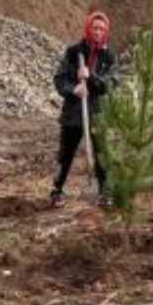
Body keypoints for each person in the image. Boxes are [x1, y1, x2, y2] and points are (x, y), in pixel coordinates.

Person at [50, 12, 117, 208]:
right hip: (73, 113)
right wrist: (74, 88)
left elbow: (112, 83)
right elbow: (60, 79)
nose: (97, 32)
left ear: (106, 32)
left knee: (102, 155)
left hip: (97, 113)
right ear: (88, 28)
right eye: (94, 28)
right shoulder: (73, 52)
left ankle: (104, 192)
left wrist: (92, 77)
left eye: (101, 29)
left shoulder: (110, 55)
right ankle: (56, 190)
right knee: (65, 154)